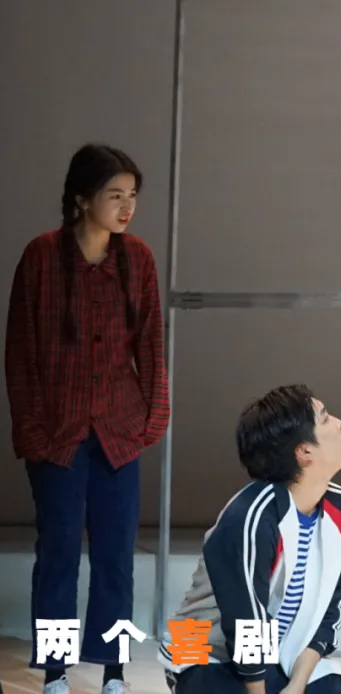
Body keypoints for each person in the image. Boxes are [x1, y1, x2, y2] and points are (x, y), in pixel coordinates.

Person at [5, 143, 170, 694]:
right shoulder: (41, 257)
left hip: (120, 431)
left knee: (116, 555)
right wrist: (31, 430)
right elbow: (20, 351)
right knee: (57, 553)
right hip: (57, 432)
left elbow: (151, 343)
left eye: (132, 196)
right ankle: (55, 671)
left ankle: (113, 672)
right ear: (81, 199)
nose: (126, 207)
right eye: (113, 195)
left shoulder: (137, 259)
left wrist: (153, 418)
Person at [158, 384, 341, 694]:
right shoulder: (250, 516)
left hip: (280, 654)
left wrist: (297, 684)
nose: (338, 423)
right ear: (304, 452)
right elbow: (246, 620)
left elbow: (330, 607)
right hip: (203, 651)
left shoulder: (338, 504)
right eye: (325, 418)